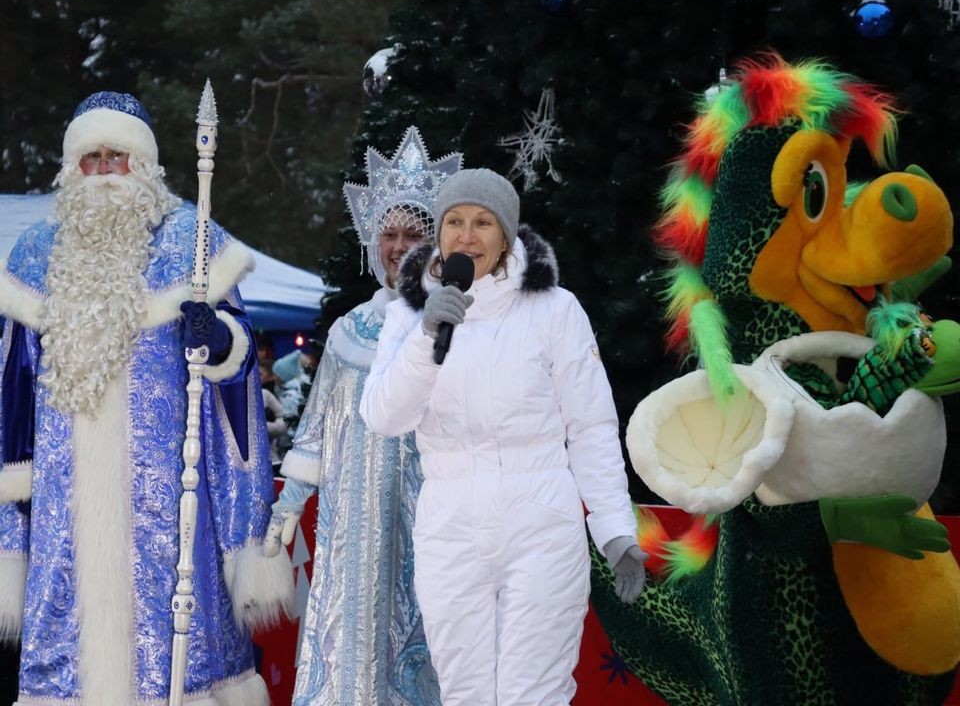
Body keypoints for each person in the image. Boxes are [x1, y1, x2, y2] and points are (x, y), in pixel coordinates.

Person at [0, 91, 293, 706]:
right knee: (70, 663)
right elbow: (13, 397)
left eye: (119, 157)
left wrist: (218, 341)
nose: (105, 172)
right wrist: (13, 516)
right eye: (92, 159)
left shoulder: (192, 243)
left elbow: (236, 378)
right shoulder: (33, 257)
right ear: (71, 167)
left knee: (174, 658)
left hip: (169, 508)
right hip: (66, 506)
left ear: (146, 165)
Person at [359, 168, 647, 705]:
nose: (466, 236)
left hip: (540, 517)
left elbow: (591, 427)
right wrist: (425, 339)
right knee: (466, 693)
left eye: (483, 222)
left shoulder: (555, 310)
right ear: (439, 233)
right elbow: (383, 416)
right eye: (454, 222)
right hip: (450, 522)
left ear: (508, 234)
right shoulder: (407, 316)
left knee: (532, 694)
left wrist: (612, 527)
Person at [264, 127, 461, 705]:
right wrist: (288, 507)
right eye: (388, 235)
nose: (399, 246)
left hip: (431, 515)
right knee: (349, 647)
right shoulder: (350, 330)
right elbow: (317, 429)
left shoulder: (458, 323)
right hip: (352, 521)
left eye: (413, 234)